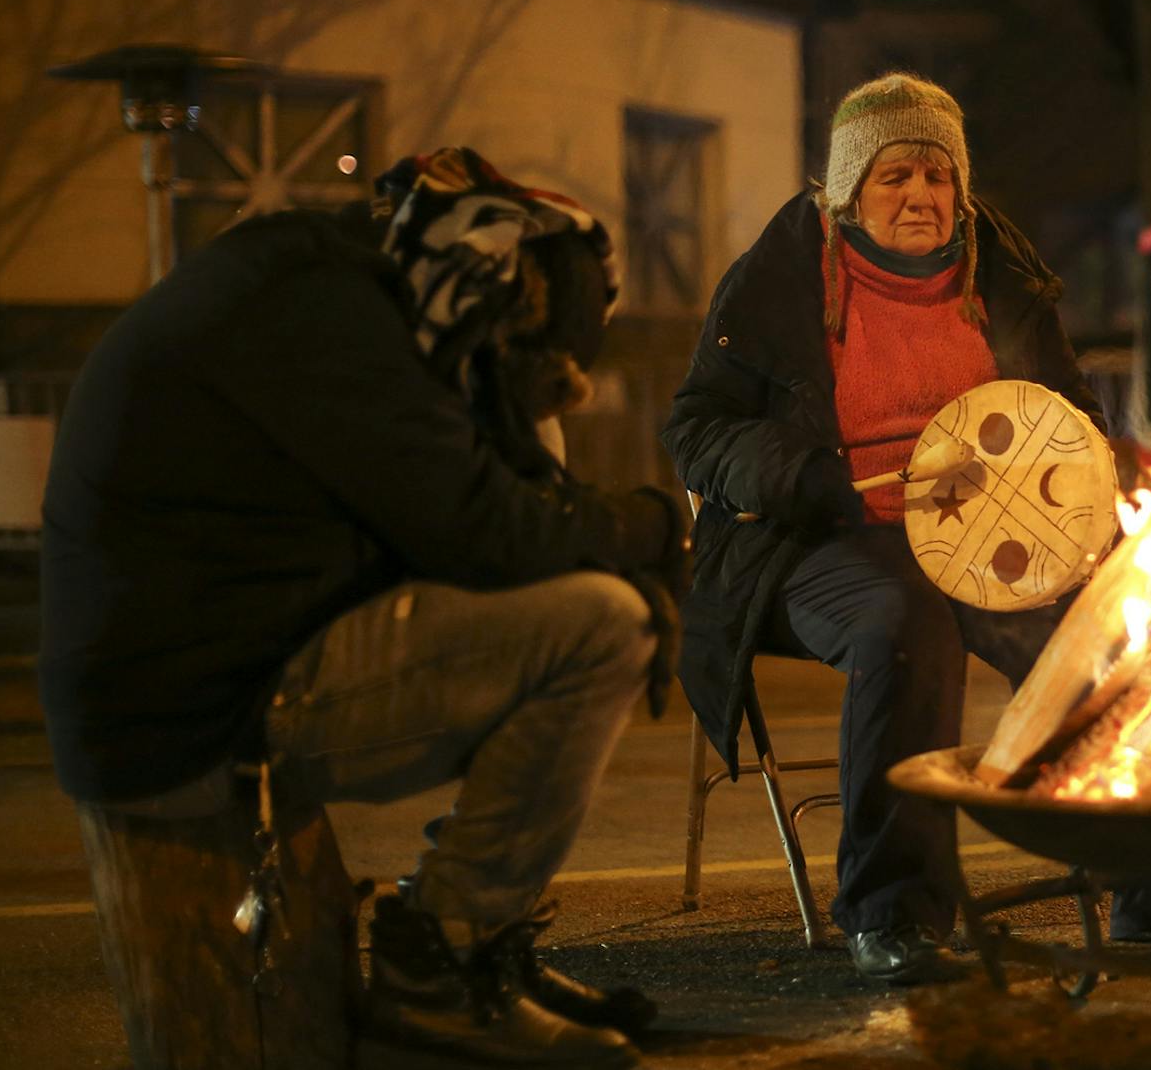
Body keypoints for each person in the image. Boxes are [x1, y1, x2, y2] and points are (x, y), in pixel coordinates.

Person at [38, 148, 686, 1069]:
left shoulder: (346, 284)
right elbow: (483, 528)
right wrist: (656, 531)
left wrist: (560, 482)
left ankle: (480, 947)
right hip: (194, 720)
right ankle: (444, 965)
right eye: (512, 360)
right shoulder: (329, 314)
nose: (489, 384)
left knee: (587, 601)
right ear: (494, 288)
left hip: (203, 675)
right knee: (598, 628)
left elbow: (485, 518)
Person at [663, 73, 1151, 985]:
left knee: (1112, 625)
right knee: (904, 623)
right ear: (848, 191)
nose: (921, 197)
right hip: (817, 535)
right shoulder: (783, 275)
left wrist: (1082, 487)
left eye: (938, 177)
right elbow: (697, 430)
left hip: (994, 533)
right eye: (894, 177)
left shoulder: (998, 272)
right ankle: (893, 912)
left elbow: (1068, 411)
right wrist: (810, 477)